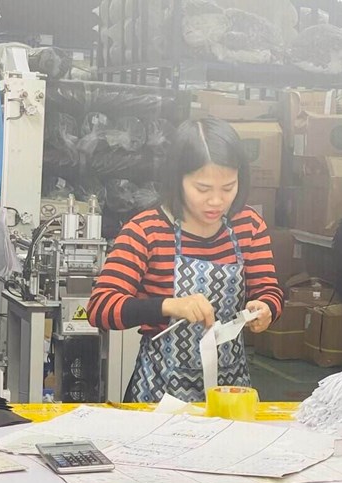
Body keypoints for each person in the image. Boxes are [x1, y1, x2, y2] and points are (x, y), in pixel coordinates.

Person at [88, 118, 284, 402]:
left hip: (229, 394)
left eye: (228, 187)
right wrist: (169, 306)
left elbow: (269, 290)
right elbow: (101, 308)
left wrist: (266, 308)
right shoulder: (146, 231)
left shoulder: (248, 227)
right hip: (159, 394)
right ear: (177, 179)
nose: (216, 201)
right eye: (203, 189)